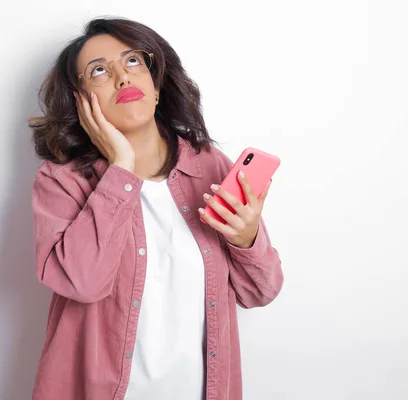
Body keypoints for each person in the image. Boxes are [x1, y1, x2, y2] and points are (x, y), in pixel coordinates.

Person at [28, 16, 283, 400]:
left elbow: (260, 293)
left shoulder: (211, 166)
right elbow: (83, 282)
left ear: (156, 83)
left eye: (134, 62)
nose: (122, 78)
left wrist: (247, 240)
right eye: (99, 71)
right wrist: (120, 169)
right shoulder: (62, 181)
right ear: (82, 102)